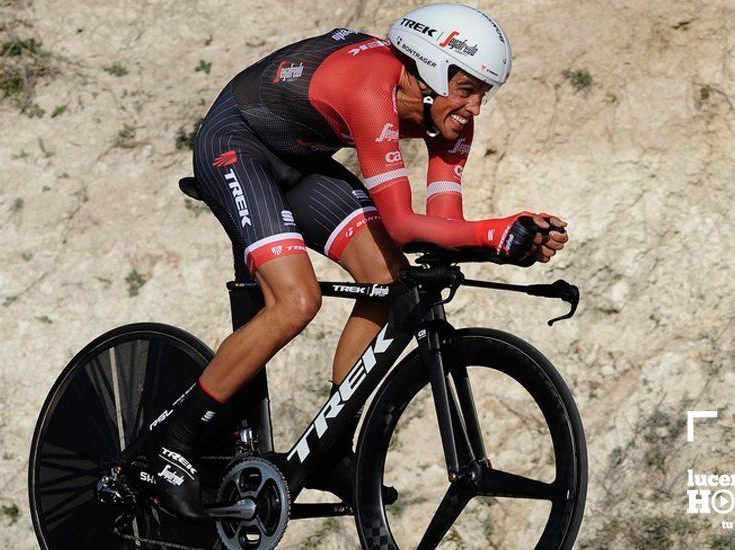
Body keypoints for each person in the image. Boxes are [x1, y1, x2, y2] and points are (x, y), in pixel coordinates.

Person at [149, 3, 569, 520]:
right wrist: (494, 232)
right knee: (296, 301)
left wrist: (509, 247)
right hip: (235, 143)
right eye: (468, 89)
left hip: (299, 160)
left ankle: (330, 447)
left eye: (484, 93)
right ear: (431, 71)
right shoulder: (371, 86)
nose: (476, 108)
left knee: (391, 281)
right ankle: (174, 440)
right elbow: (399, 224)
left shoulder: (453, 124)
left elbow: (438, 231)